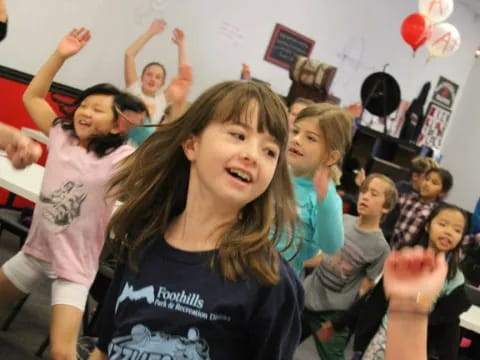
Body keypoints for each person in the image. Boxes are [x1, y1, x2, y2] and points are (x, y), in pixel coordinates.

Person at [87, 80, 304, 360]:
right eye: (238, 135)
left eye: (270, 151)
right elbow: (105, 347)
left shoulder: (269, 281)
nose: (252, 155)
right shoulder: (143, 238)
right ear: (191, 144)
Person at [0, 28, 147, 360]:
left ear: (116, 126)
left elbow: (156, 163)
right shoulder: (61, 135)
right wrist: (61, 55)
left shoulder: (121, 159)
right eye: (85, 104)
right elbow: (32, 97)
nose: (86, 111)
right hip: (35, 254)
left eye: (98, 110)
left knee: (63, 353)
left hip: (73, 270)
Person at [323, 204, 471, 360]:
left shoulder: (454, 279)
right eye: (442, 224)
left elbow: (449, 327)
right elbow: (375, 298)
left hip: (413, 349)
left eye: (457, 230)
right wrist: (340, 322)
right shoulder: (404, 260)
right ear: (427, 226)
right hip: (380, 340)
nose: (449, 232)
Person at [301, 174, 398, 359]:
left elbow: (365, 290)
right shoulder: (343, 220)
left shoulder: (380, 248)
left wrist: (340, 321)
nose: (365, 197)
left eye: (374, 194)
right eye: (364, 191)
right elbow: (322, 255)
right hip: (306, 297)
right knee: (276, 343)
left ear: (386, 207)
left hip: (331, 313)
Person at [277, 103, 352, 275]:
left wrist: (325, 203)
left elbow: (330, 245)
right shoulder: (275, 171)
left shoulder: (326, 198)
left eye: (310, 138)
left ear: (331, 157)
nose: (296, 139)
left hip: (274, 283)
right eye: (296, 131)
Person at [390, 168, 453, 247]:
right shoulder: (406, 198)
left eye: (434, 183)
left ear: (442, 192)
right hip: (391, 246)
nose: (427, 184)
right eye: (427, 179)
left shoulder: (435, 213)